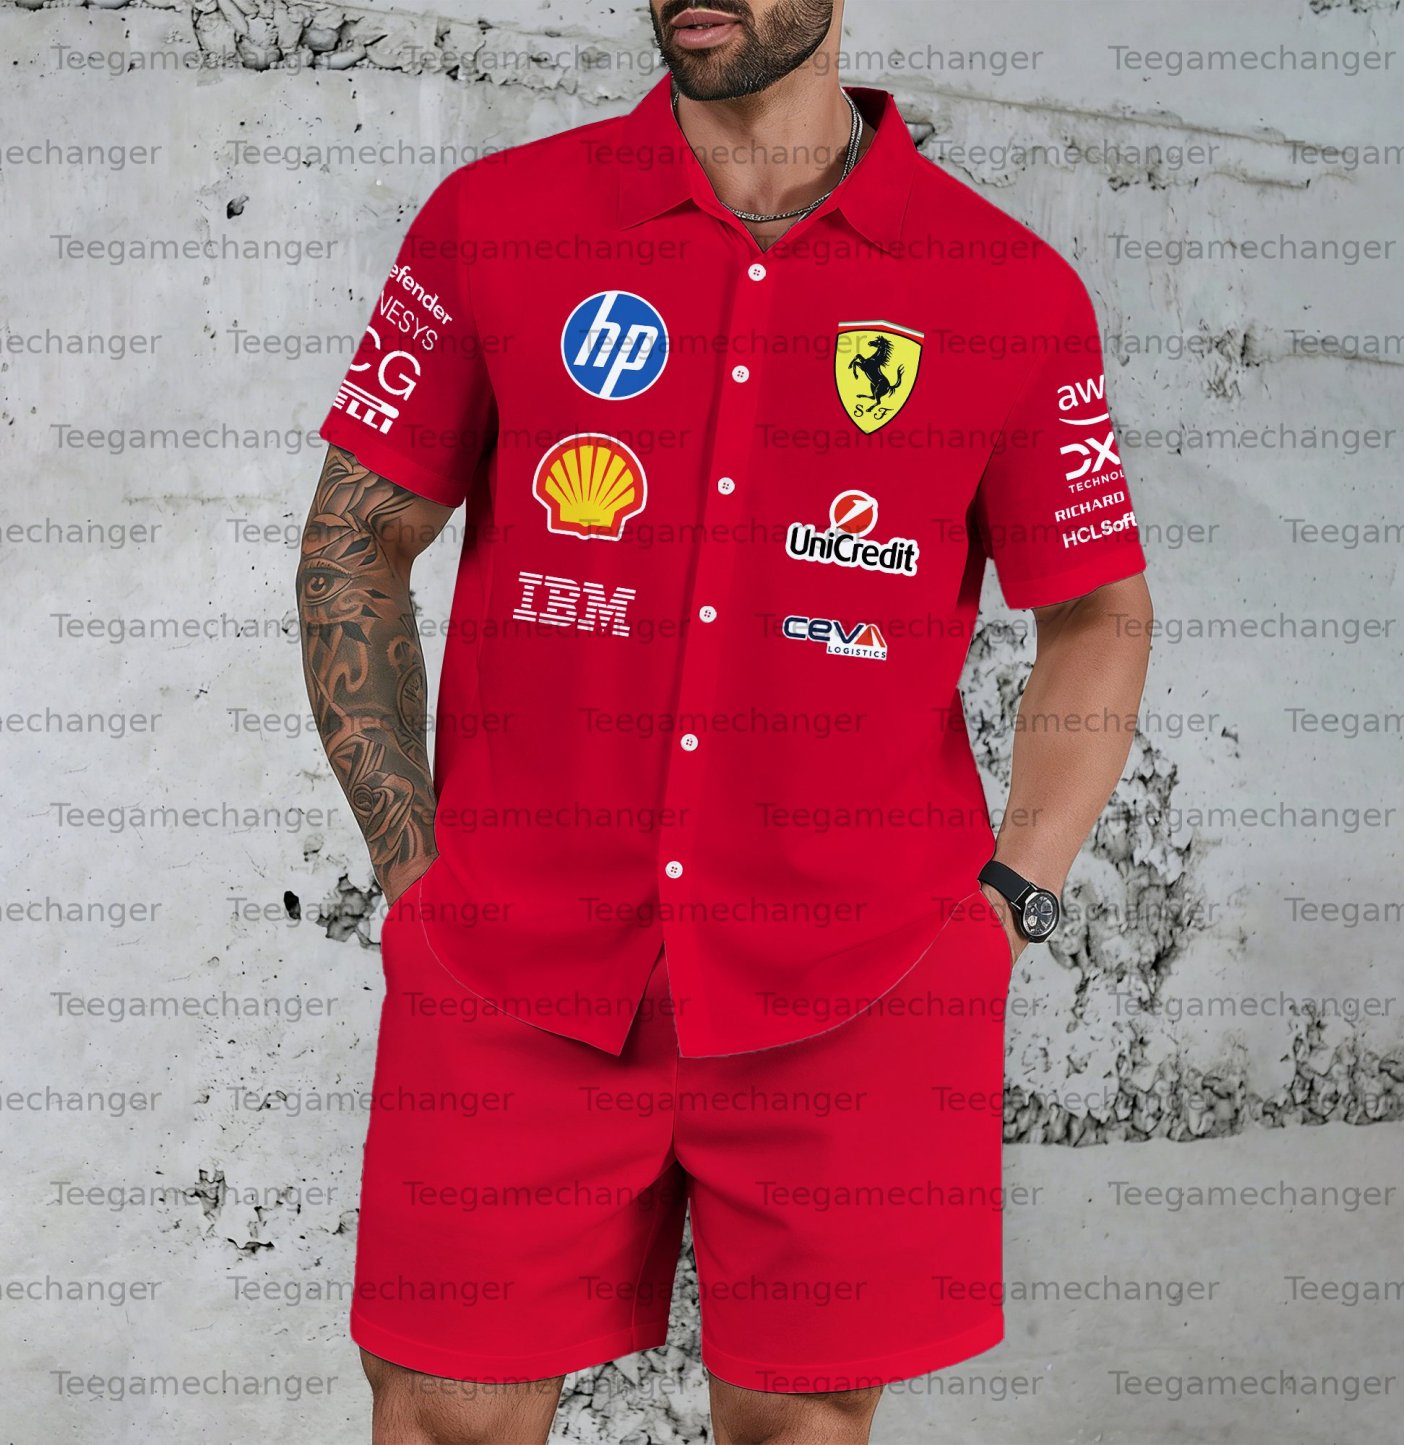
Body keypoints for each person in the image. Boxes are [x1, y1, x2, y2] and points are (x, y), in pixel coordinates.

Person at [296, 1, 1152, 1440]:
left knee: (798, 1426)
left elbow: (1098, 613)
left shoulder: (1007, 287)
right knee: (446, 1406)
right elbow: (353, 542)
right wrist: (411, 871)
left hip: (861, 984)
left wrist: (1013, 901)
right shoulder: (493, 223)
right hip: (513, 965)